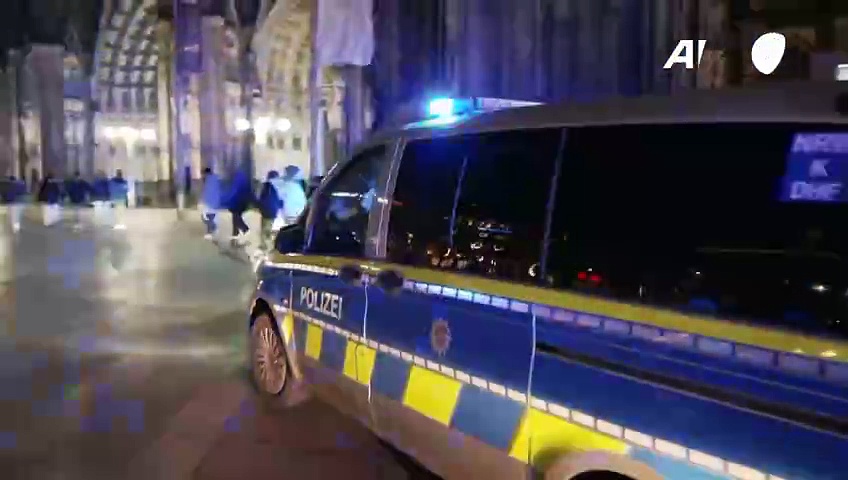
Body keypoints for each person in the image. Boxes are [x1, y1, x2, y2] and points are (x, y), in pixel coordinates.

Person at [224, 169, 255, 245]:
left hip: (237, 203)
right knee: (235, 217)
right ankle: (235, 233)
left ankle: (245, 229)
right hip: (242, 203)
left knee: (236, 217)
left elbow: (232, 192)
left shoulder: (236, 183)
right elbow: (250, 193)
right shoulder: (245, 182)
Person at [257, 170, 285, 252]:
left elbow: (260, 197)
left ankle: (265, 245)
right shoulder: (279, 185)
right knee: (271, 227)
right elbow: (281, 199)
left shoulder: (265, 185)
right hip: (274, 210)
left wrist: (259, 207)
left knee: (265, 227)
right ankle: (269, 245)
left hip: (265, 210)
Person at [200, 167, 222, 240]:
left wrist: (203, 201)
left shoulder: (208, 181)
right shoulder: (214, 179)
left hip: (211, 202)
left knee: (208, 217)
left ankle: (211, 231)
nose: (202, 176)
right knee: (209, 216)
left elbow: (206, 192)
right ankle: (213, 229)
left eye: (203, 174)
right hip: (215, 202)